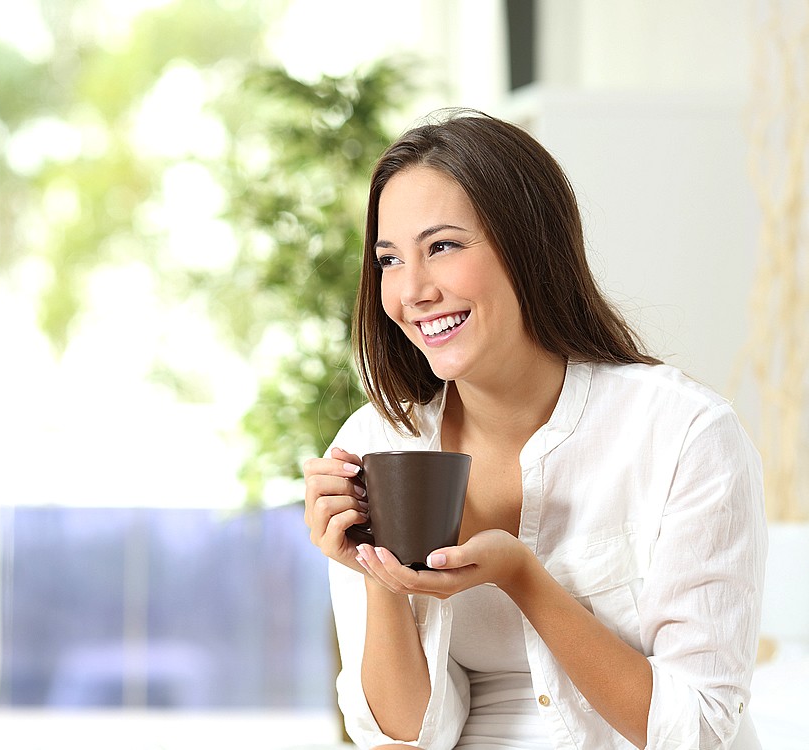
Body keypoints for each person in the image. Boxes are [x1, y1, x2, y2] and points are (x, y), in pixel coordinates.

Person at [302, 110, 767, 750]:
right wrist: (378, 575)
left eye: (442, 246)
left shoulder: (682, 433)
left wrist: (522, 578)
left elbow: (700, 732)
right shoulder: (381, 443)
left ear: (529, 247)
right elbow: (406, 739)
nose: (411, 291)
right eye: (389, 259)